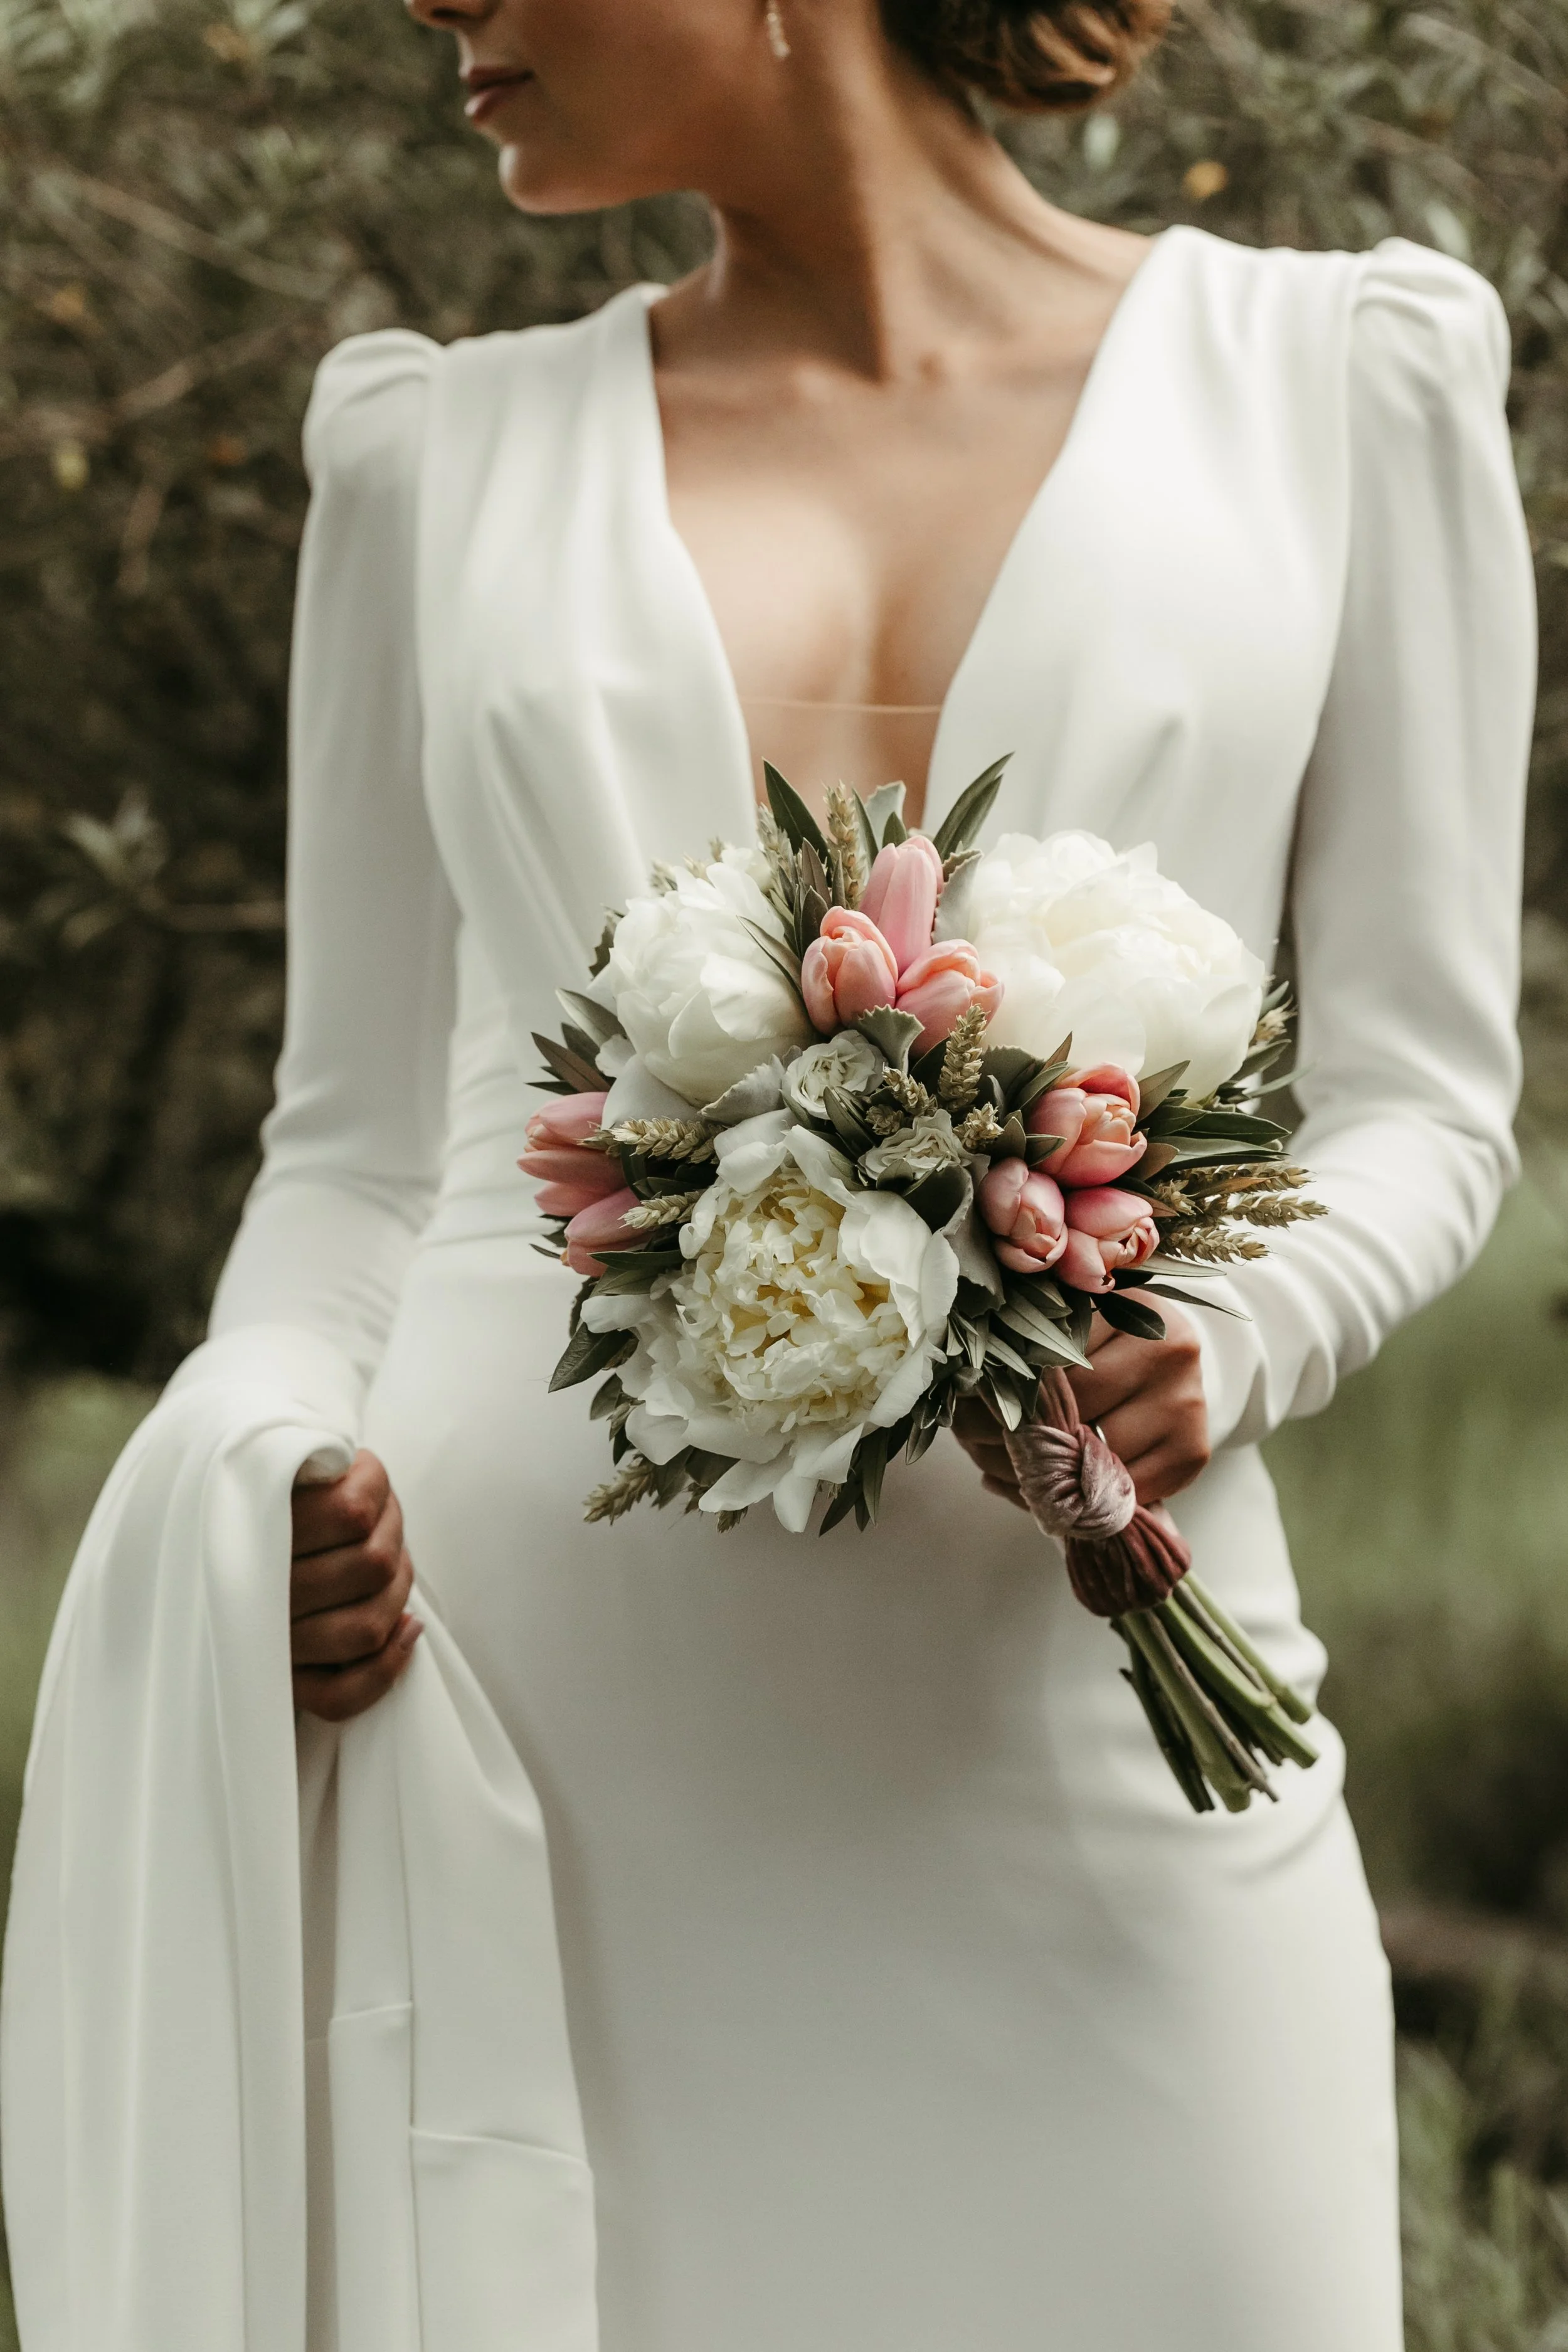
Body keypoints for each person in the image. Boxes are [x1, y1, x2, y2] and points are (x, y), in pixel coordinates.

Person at [202, 0, 1535, 2342]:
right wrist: (266, 1452)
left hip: (1100, 1706)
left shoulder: (1339, 384)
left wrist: (1235, 1327)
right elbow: (353, 1150)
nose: (428, 5)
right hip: (535, 1741)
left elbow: (1426, 1094)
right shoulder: (430, 456)